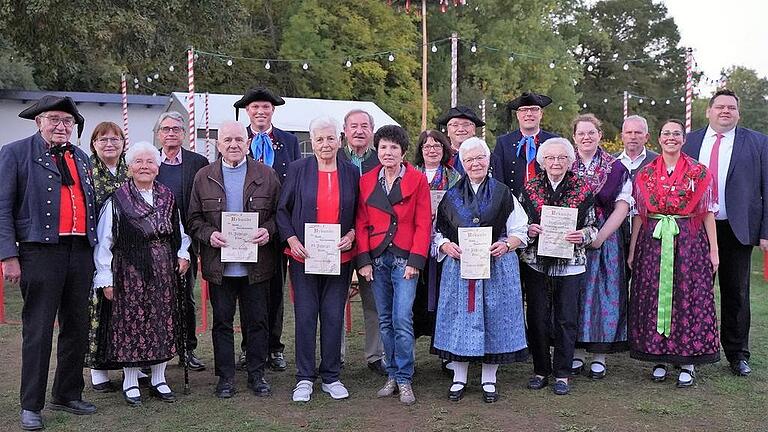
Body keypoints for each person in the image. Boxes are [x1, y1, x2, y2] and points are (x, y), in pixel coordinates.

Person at [0, 95, 98, 431]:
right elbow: (2, 207)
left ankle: (67, 393)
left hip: (80, 251)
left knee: (77, 326)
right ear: (39, 121)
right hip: (39, 252)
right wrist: (8, 255)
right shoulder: (14, 153)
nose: (61, 125)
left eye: (67, 121)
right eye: (54, 119)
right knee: (38, 329)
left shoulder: (82, 158)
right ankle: (31, 405)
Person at [92, 141, 192, 406]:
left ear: (158, 168)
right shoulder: (118, 199)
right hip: (129, 271)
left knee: (162, 322)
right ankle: (130, 381)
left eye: (150, 162)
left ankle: (159, 379)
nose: (144, 166)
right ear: (130, 167)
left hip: (163, 272)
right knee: (132, 325)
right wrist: (105, 278)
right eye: (138, 162)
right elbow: (105, 241)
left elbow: (179, 232)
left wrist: (183, 254)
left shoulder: (168, 196)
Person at [187, 121, 281, 398]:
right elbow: (192, 219)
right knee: (222, 324)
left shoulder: (266, 175)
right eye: (227, 140)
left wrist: (269, 230)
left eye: (239, 139)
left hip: (257, 265)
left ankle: (257, 374)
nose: (233, 145)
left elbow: (280, 215)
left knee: (257, 323)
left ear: (248, 142)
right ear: (218, 145)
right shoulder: (204, 177)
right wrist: (209, 235)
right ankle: (225, 377)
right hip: (220, 266)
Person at [432, 137, 528, 403]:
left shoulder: (503, 192)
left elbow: (520, 229)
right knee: (460, 319)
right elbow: (437, 231)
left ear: (488, 161)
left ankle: (489, 379)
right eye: (469, 160)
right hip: (460, 269)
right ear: (462, 163)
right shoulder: (450, 196)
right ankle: (459, 377)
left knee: (494, 317)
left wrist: (507, 244)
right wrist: (445, 245)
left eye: (479, 158)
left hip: (496, 267)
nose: (475, 163)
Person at [683, 89, 768, 377]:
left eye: (731, 107)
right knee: (694, 293)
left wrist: (765, 231)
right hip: (694, 229)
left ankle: (737, 353)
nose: (725, 111)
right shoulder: (690, 141)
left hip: (736, 228)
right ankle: (691, 351)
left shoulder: (758, 143)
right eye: (719, 106)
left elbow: (767, 190)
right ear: (708, 111)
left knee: (736, 294)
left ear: (738, 113)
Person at [629, 119, 720, 386]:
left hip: (689, 241)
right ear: (658, 139)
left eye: (676, 134)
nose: (671, 138)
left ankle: (687, 361)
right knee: (655, 295)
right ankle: (658, 356)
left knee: (687, 296)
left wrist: (714, 250)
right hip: (653, 242)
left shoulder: (699, 172)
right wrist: (633, 249)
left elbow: (708, 213)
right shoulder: (645, 174)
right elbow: (639, 215)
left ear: (683, 139)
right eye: (666, 134)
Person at [277, 117, 360, 402]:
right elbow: (282, 211)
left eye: (330, 139)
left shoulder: (351, 173)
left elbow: (360, 215)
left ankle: (331, 376)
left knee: (334, 316)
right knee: (306, 316)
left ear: (339, 140)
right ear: (312, 143)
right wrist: (292, 239)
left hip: (339, 257)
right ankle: (304, 377)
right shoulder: (298, 169)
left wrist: (351, 234)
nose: (325, 144)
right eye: (319, 140)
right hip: (304, 258)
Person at [356, 125, 431, 405]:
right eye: (384, 147)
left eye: (394, 148)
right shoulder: (366, 181)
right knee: (384, 320)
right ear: (378, 149)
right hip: (377, 259)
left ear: (403, 152)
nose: (388, 153)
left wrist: (416, 260)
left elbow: (424, 223)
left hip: (404, 260)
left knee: (402, 319)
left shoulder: (418, 179)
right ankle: (392, 374)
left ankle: (405, 378)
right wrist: (363, 260)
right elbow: (361, 222)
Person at [519, 138, 597, 396]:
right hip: (536, 263)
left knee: (566, 319)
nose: (556, 162)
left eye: (562, 158)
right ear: (542, 161)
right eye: (551, 158)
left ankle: (563, 373)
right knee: (538, 317)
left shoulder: (582, 188)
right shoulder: (529, 189)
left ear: (569, 161)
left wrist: (582, 236)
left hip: (571, 264)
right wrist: (529, 230)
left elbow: (593, 228)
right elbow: (519, 226)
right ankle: (540, 370)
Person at [234, 87, 301, 372]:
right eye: (255, 108)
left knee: (275, 290)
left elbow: (295, 183)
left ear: (273, 111)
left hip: (278, 226)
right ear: (247, 111)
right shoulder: (237, 139)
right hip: (243, 229)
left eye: (265, 108)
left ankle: (274, 347)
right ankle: (249, 347)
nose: (260, 112)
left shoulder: (288, 141)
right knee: (246, 290)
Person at [569, 114, 632, 379]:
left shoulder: (615, 168)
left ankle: (599, 355)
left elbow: (623, 206)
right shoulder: (564, 162)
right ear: (574, 137)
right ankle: (575, 352)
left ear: (599, 135)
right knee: (573, 292)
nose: (586, 137)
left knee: (603, 295)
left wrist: (600, 237)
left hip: (605, 239)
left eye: (591, 132)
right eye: (581, 133)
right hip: (570, 236)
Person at [154, 111, 209, 372]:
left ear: (184, 133)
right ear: (159, 134)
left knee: (185, 296)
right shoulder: (149, 160)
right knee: (154, 297)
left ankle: (187, 348)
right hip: (154, 240)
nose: (171, 133)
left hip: (188, 240)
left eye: (176, 129)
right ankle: (157, 349)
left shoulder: (198, 162)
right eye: (166, 129)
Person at [86, 121, 136, 393]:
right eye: (103, 139)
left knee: (126, 309)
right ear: (94, 143)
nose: (109, 144)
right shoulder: (87, 172)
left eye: (115, 139)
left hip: (129, 253)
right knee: (101, 308)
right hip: (96, 249)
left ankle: (130, 361)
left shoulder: (130, 171)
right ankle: (99, 368)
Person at [337, 109, 386, 376]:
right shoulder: (333, 157)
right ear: (344, 130)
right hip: (338, 241)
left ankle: (375, 355)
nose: (359, 130)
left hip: (371, 241)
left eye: (364, 126)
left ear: (372, 130)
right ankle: (337, 356)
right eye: (353, 125)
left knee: (373, 302)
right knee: (335, 301)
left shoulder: (381, 160)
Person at [411, 130, 460, 363]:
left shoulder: (455, 178)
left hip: (444, 247)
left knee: (445, 298)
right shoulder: (410, 175)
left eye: (437, 146)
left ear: (445, 149)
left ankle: (445, 353)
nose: (432, 150)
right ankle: (407, 351)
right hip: (414, 244)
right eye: (427, 146)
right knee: (414, 300)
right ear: (420, 150)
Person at [492, 91, 559, 197]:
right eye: (523, 110)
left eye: (534, 109)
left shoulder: (554, 142)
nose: (529, 114)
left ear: (541, 114)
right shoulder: (504, 143)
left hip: (547, 205)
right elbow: (497, 179)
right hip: (513, 205)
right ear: (517, 115)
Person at [436, 106, 486, 176]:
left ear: (474, 129)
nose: (460, 129)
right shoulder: (439, 158)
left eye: (466, 125)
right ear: (448, 130)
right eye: (455, 125)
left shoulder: (486, 157)